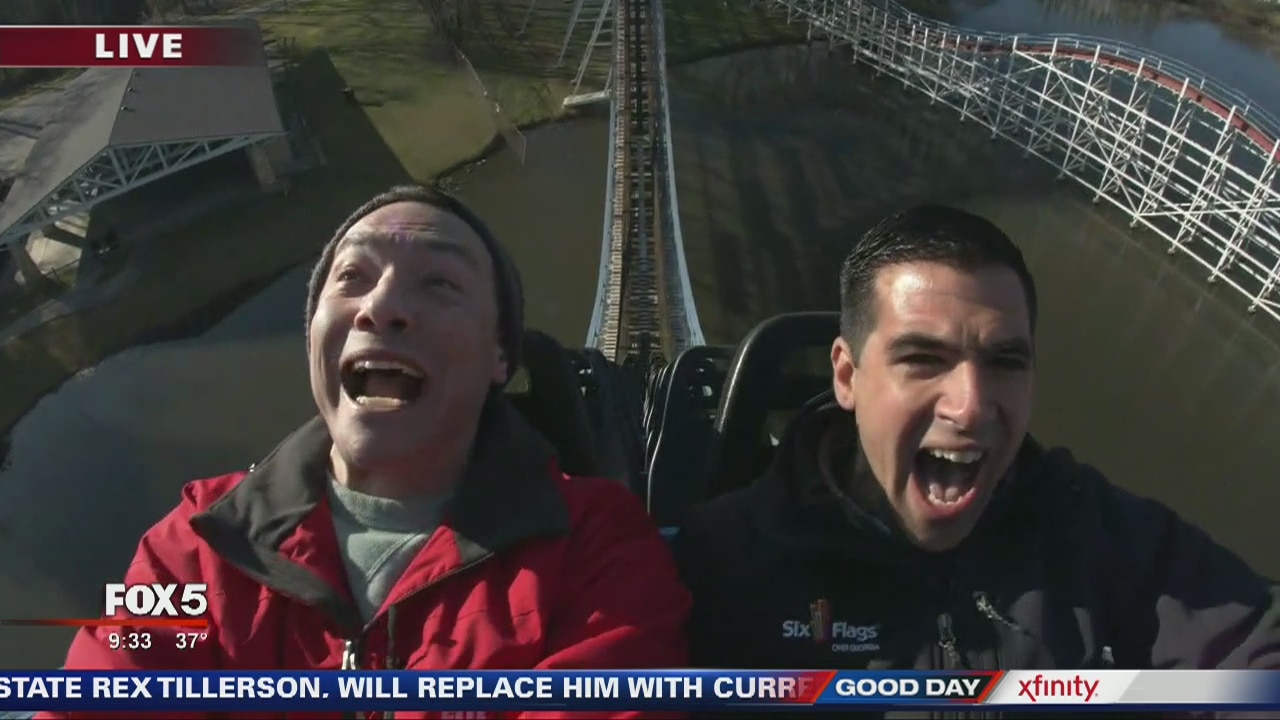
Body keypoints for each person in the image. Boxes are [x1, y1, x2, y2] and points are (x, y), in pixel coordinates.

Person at [47, 185, 689, 717]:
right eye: (352, 277)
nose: (380, 308)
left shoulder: (598, 549)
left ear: (501, 356)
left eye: (439, 284)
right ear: (313, 340)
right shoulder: (193, 551)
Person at [674, 205, 1279, 676]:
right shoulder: (725, 561)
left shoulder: (1098, 534)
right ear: (847, 375)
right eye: (922, 358)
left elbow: (1256, 652)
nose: (971, 406)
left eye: (1006, 361)